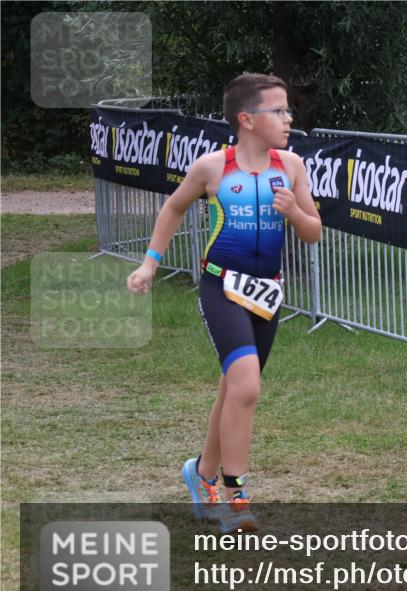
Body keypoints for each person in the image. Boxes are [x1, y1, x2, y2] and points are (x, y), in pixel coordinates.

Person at [126, 73, 322, 533]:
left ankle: (202, 474)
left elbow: (314, 232)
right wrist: (150, 263)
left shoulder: (292, 165)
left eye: (288, 110)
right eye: (279, 110)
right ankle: (236, 495)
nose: (289, 118)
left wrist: (294, 211)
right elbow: (174, 207)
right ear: (247, 119)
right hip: (221, 289)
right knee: (246, 387)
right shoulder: (213, 167)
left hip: (266, 293)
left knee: (234, 390)